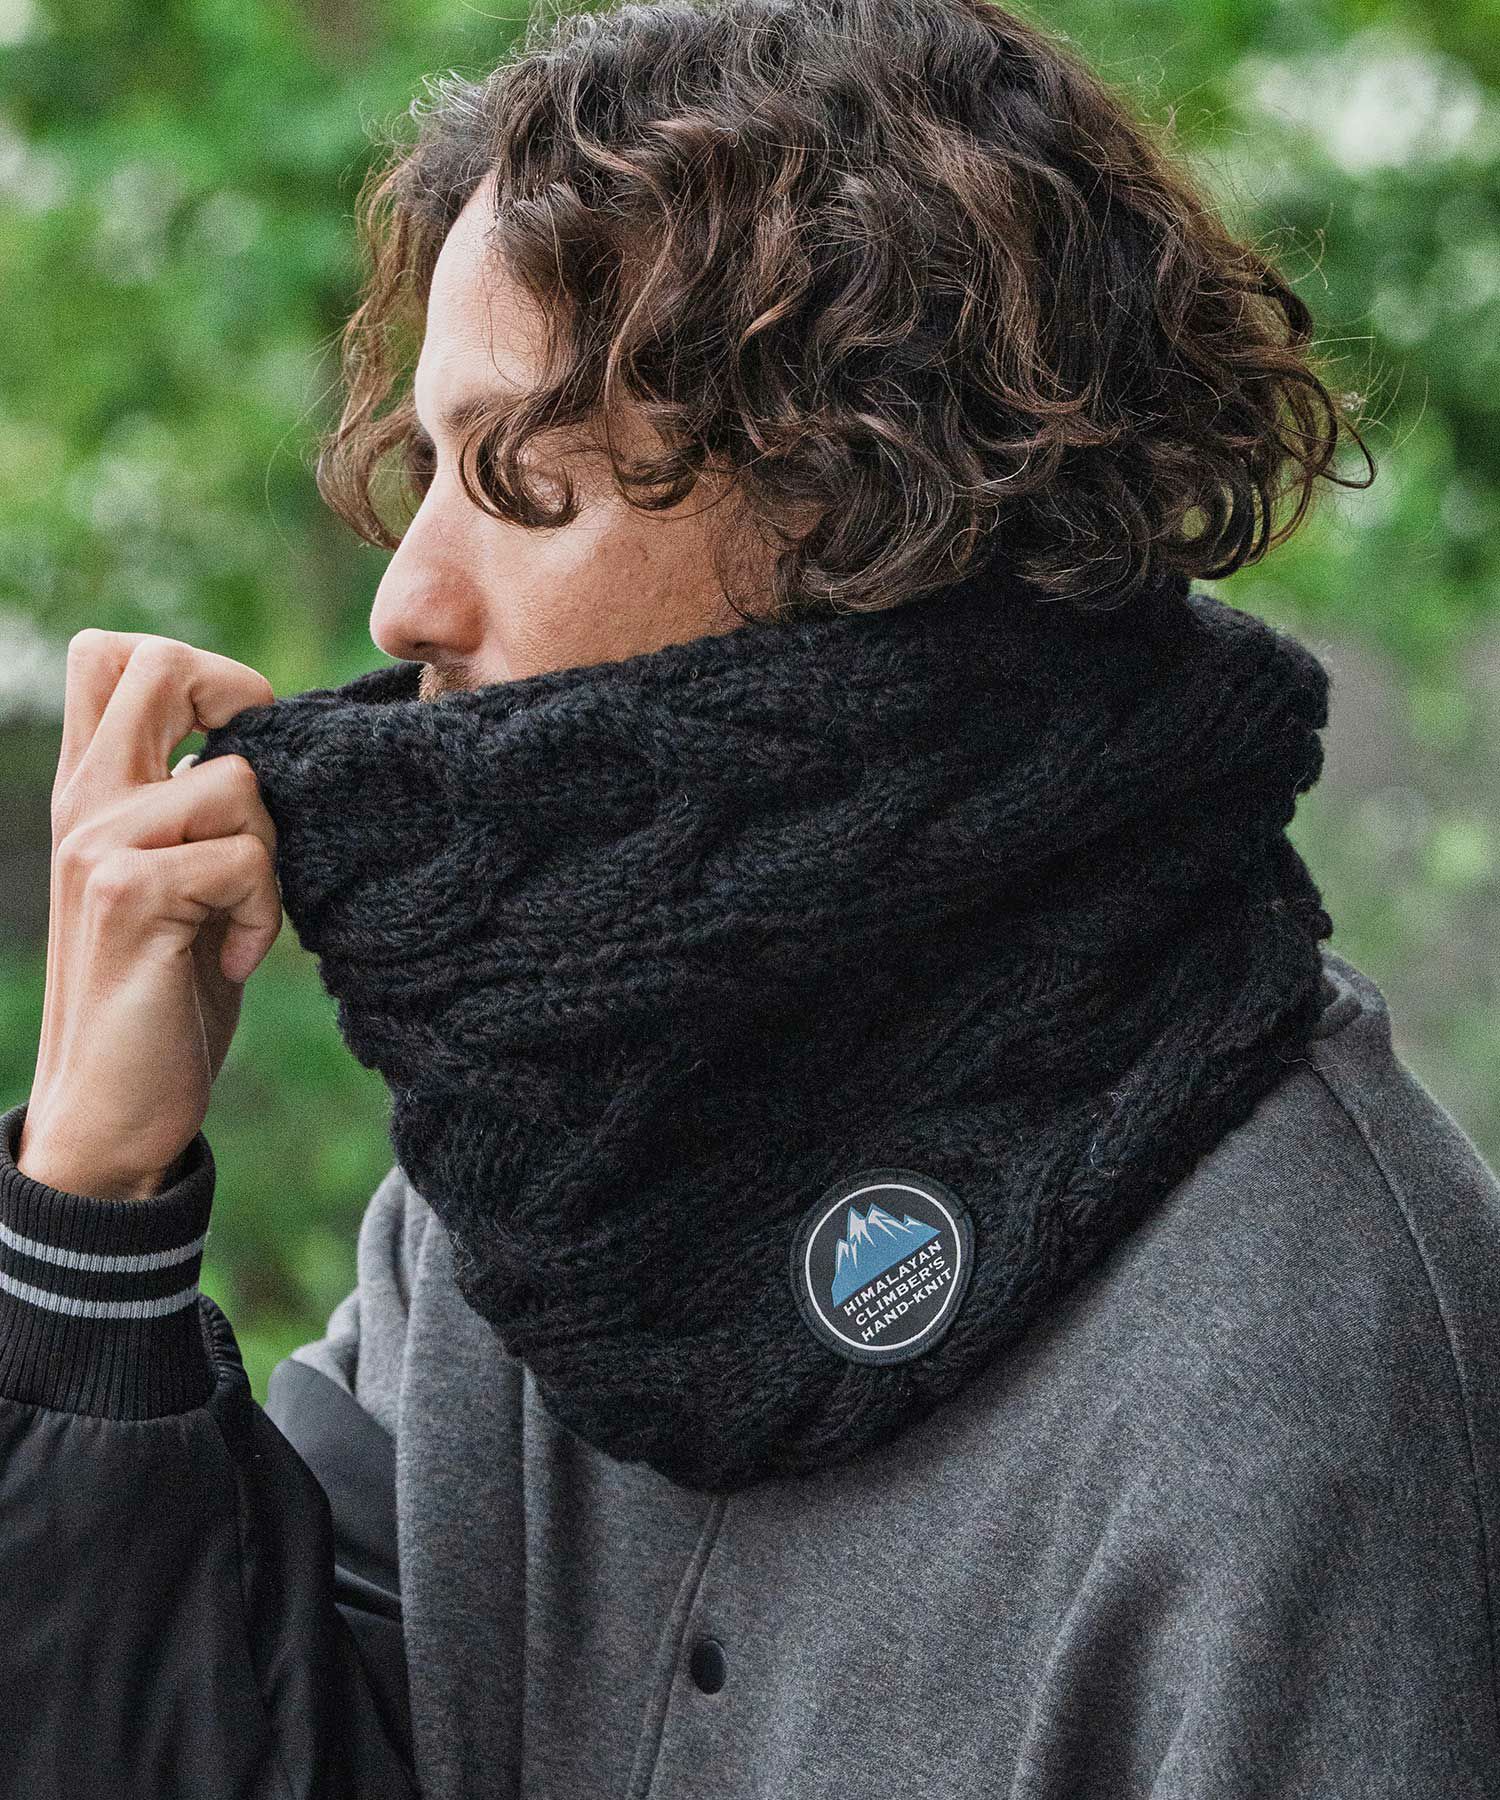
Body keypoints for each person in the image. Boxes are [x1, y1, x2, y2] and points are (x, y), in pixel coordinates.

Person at [4, 1, 1500, 1795]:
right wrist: (89, 1221)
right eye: (428, 473)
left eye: (525, 483)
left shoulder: (1306, 1339)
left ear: (871, 511)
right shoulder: (531, 1179)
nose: (403, 603)